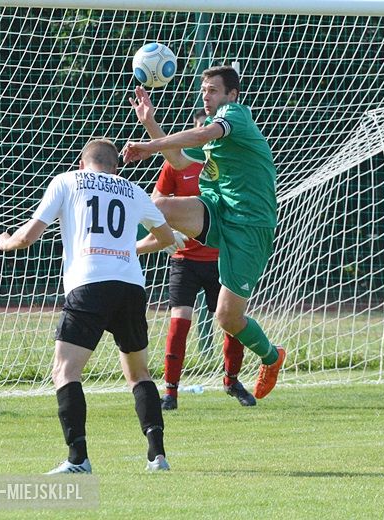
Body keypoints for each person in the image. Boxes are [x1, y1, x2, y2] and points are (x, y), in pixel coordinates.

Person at [0, 139, 177, 474]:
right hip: (130, 287)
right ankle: (158, 455)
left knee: (65, 372)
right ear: (116, 168)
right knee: (139, 374)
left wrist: (6, 242)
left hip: (89, 284)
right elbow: (166, 239)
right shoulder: (133, 190)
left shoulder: (66, 181)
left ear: (83, 164)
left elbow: (27, 237)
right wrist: (125, 249)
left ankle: (78, 458)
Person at [124, 66, 285, 400]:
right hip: (218, 208)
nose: (205, 95)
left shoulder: (235, 116)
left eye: (213, 90)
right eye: (203, 89)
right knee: (161, 207)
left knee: (228, 318)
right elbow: (180, 160)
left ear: (231, 95)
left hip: (250, 227)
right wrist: (149, 123)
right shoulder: (215, 129)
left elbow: (197, 138)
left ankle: (272, 356)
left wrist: (147, 145)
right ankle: (152, 244)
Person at [132, 100, 256, 410]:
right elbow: (156, 201)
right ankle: (171, 392)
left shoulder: (227, 165)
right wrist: (167, 232)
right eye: (200, 129)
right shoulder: (178, 165)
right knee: (179, 321)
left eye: (209, 131)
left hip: (220, 256)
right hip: (185, 259)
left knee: (231, 320)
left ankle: (231, 381)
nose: (204, 135)